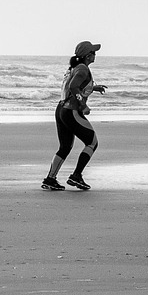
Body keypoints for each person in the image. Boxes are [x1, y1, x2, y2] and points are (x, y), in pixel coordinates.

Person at [42, 40, 107, 191]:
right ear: (88, 55)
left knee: (65, 147)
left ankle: (50, 179)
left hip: (61, 109)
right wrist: (83, 105)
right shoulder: (83, 69)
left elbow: (74, 84)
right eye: (93, 52)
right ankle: (76, 176)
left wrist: (93, 88)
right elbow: (73, 86)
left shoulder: (75, 67)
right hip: (71, 111)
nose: (95, 55)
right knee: (92, 142)